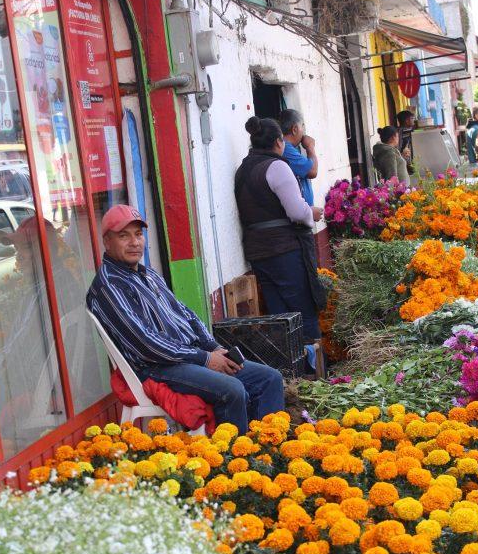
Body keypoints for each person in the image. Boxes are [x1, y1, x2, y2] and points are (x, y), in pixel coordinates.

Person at [86, 204, 285, 434]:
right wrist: (204, 359)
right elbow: (146, 345)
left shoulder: (146, 274)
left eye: (139, 234)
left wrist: (214, 348)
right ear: (107, 241)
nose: (135, 242)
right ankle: (231, 459)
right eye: (124, 236)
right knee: (232, 389)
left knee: (269, 378)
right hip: (155, 367)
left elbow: (185, 314)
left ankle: (267, 450)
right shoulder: (109, 287)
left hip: (186, 357)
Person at [234, 116, 325, 344]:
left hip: (258, 252)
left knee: (278, 315)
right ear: (278, 141)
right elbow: (296, 212)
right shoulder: (277, 166)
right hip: (284, 250)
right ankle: (311, 370)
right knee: (302, 309)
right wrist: (311, 213)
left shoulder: (243, 170)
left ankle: (289, 367)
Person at [280, 108, 317, 206]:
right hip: (300, 215)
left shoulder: (289, 148)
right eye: (303, 127)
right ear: (295, 129)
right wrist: (310, 147)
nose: (304, 132)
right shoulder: (286, 149)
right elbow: (313, 171)